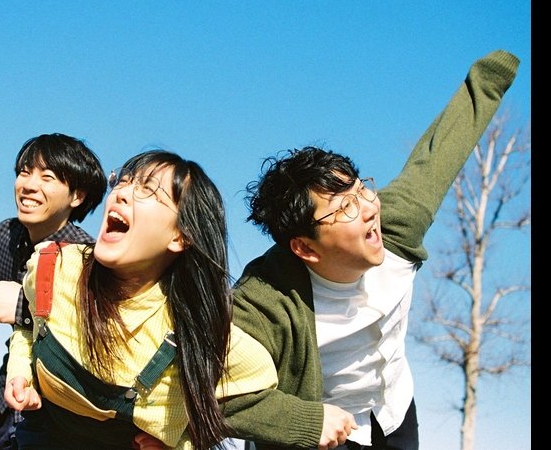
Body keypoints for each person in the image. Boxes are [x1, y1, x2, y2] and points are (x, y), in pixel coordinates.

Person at [221, 50, 520, 450]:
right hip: (319, 430)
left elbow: (439, 153)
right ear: (305, 247)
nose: (368, 209)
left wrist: (493, 73)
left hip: (394, 412)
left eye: (361, 189)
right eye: (345, 206)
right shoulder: (264, 302)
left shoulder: (395, 227)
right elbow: (204, 388)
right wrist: (304, 421)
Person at [4, 150, 280, 450]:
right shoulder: (53, 265)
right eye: (123, 182)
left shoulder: (196, 332)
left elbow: (254, 388)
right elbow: (28, 327)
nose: (122, 193)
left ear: (180, 237)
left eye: (148, 190)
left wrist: (183, 443)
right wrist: (19, 371)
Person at [0, 133, 107, 450]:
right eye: (24, 172)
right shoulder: (3, 235)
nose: (29, 185)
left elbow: (90, 333)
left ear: (77, 196)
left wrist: (21, 307)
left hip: (58, 408)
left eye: (47, 177)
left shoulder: (87, 260)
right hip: (8, 391)